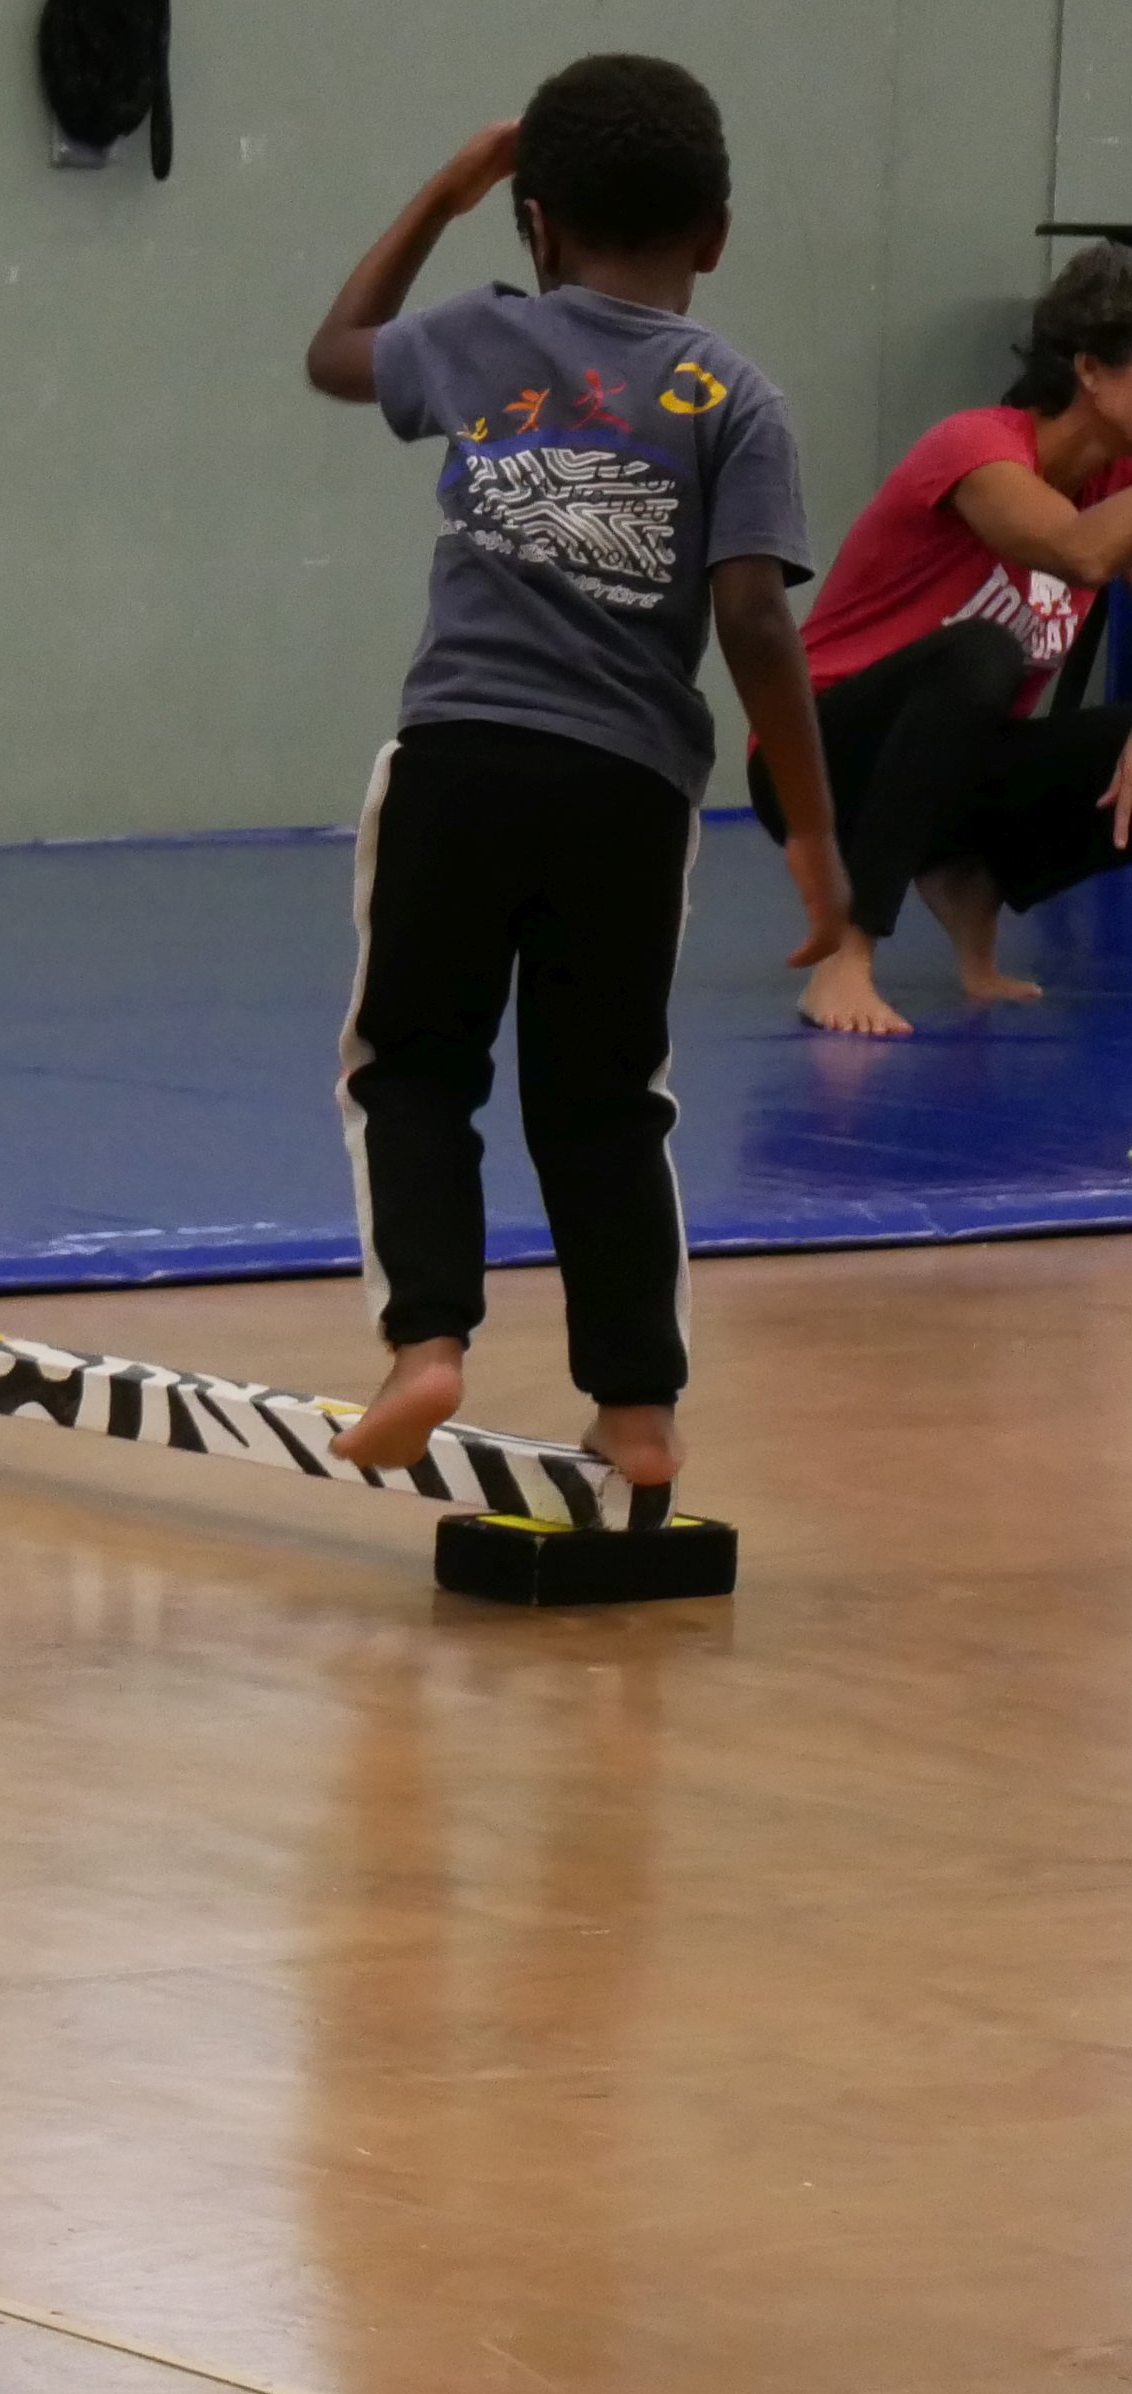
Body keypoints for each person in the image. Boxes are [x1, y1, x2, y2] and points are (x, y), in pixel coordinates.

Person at [304, 57, 848, 1494]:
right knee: (605, 1096)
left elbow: (336, 351)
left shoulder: (479, 336)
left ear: (534, 223)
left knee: (411, 1064)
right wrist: (810, 837)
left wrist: (443, 193)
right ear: (714, 234)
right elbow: (753, 620)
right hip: (627, 793)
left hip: (459, 760)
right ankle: (638, 1409)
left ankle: (427, 1344)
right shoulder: (738, 397)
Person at [759, 248, 1132, 1037]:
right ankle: (843, 955)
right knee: (982, 651)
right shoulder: (976, 449)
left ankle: (964, 876)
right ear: (1091, 369)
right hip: (815, 762)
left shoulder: (1113, 488)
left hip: (947, 767)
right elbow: (1079, 552)